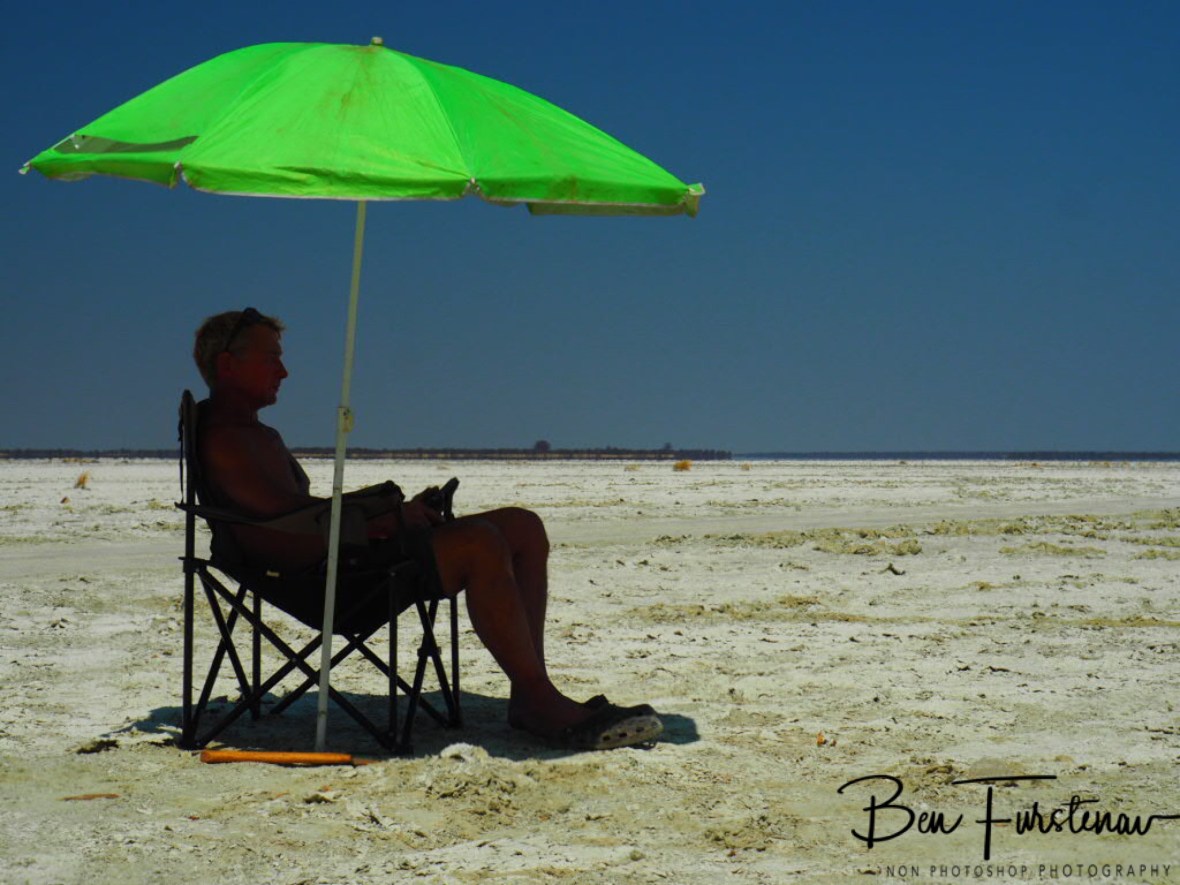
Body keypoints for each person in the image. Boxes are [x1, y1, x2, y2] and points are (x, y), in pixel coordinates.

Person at [191, 308, 663, 750]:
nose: (284, 372)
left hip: (338, 560)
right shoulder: (227, 438)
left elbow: (298, 515)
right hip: (322, 581)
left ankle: (530, 690)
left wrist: (386, 516)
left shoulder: (254, 432)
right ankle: (538, 701)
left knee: (521, 527)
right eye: (272, 358)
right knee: (479, 544)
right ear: (228, 365)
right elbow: (285, 530)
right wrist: (382, 522)